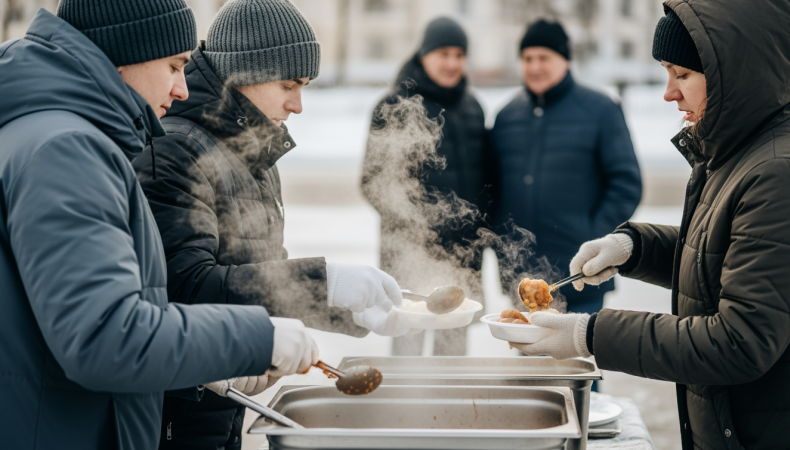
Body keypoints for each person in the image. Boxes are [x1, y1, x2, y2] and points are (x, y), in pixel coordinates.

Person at [511, 2, 790, 448]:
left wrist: (589, 334)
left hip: (776, 433)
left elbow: (739, 342)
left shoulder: (785, 172)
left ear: (736, 70)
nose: (669, 93)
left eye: (681, 74)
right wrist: (635, 247)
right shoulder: (739, 149)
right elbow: (721, 262)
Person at [0, 1, 320, 449]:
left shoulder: (57, 135)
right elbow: (104, 337)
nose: (184, 89)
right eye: (174, 66)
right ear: (127, 51)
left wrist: (202, 368)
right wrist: (254, 337)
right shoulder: (67, 149)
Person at [131, 1, 414, 447]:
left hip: (222, 405)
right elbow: (183, 286)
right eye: (288, 84)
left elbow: (263, 276)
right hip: (177, 410)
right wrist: (326, 282)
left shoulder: (252, 155)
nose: (298, 104)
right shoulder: (176, 152)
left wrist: (347, 308)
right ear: (244, 73)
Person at [489, 19, 642, 314]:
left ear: (566, 60)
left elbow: (626, 184)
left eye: (544, 58)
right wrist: (502, 244)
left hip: (580, 277)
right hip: (522, 281)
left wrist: (592, 237)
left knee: (574, 361)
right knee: (527, 359)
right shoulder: (506, 117)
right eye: (527, 58)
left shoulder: (600, 110)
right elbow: (493, 188)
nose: (535, 67)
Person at [362, 17, 490, 357]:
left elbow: (484, 182)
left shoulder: (473, 108)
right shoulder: (393, 106)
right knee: (408, 348)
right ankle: (406, 411)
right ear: (424, 55)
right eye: (443, 53)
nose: (452, 63)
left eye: (459, 55)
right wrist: (420, 229)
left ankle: (450, 410)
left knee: (453, 353)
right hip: (410, 256)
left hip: (462, 259)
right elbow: (372, 182)